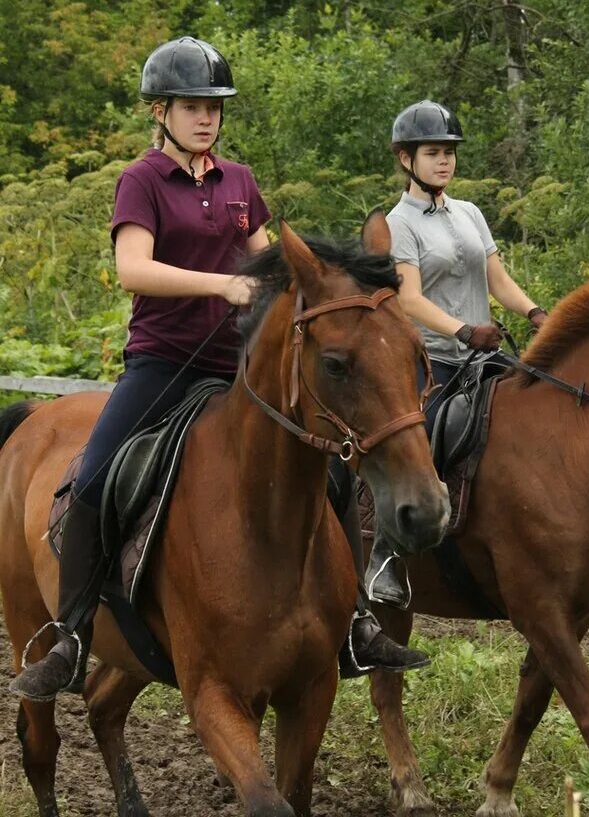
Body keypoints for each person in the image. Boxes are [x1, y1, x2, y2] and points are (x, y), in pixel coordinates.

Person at [10, 37, 424, 702]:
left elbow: (270, 263)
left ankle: (355, 622)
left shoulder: (238, 182)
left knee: (337, 474)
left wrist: (329, 290)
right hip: (161, 363)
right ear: (160, 110)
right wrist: (220, 285)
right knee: (90, 481)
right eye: (192, 107)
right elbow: (131, 269)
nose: (206, 118)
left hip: (236, 369)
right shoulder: (141, 180)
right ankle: (74, 634)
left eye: (214, 107)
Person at [366, 99, 548, 608]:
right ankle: (386, 555)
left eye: (449, 152)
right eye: (432, 153)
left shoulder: (469, 212)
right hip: (432, 361)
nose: (444, 161)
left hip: (483, 356)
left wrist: (536, 313)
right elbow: (409, 298)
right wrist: (464, 331)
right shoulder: (399, 223)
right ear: (406, 159)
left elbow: (498, 279)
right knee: (422, 438)